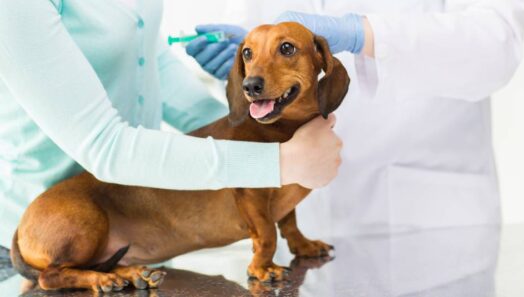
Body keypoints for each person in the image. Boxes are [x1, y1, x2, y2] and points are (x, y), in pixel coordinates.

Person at [0, 0, 344, 248]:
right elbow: (105, 147)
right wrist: (278, 162)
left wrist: (250, 114)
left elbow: (151, 63)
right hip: (49, 240)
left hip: (141, 233)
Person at [186, 0, 524, 237]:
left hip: (427, 221)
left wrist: (363, 33)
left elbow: (497, 44)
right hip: (307, 217)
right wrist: (242, 67)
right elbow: (255, 79)